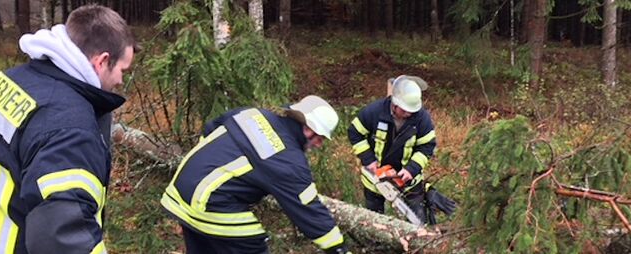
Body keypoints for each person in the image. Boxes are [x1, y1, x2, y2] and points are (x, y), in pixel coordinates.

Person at [0, 5, 135, 253]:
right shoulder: (69, 129)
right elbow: (62, 239)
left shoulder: (10, 81)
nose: (120, 81)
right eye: (122, 70)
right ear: (102, 61)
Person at [161, 95, 350, 254]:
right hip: (208, 204)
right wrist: (338, 248)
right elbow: (308, 208)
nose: (319, 145)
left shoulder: (251, 114)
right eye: (320, 139)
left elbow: (211, 128)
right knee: (252, 246)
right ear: (309, 129)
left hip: (179, 190)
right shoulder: (289, 160)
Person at [348, 75, 454, 224]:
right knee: (375, 220)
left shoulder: (422, 119)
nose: (408, 114)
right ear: (394, 103)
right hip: (374, 179)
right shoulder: (375, 112)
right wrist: (368, 159)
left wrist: (412, 168)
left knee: (418, 219)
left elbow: (427, 146)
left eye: (411, 111)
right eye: (404, 111)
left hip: (408, 179)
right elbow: (355, 132)